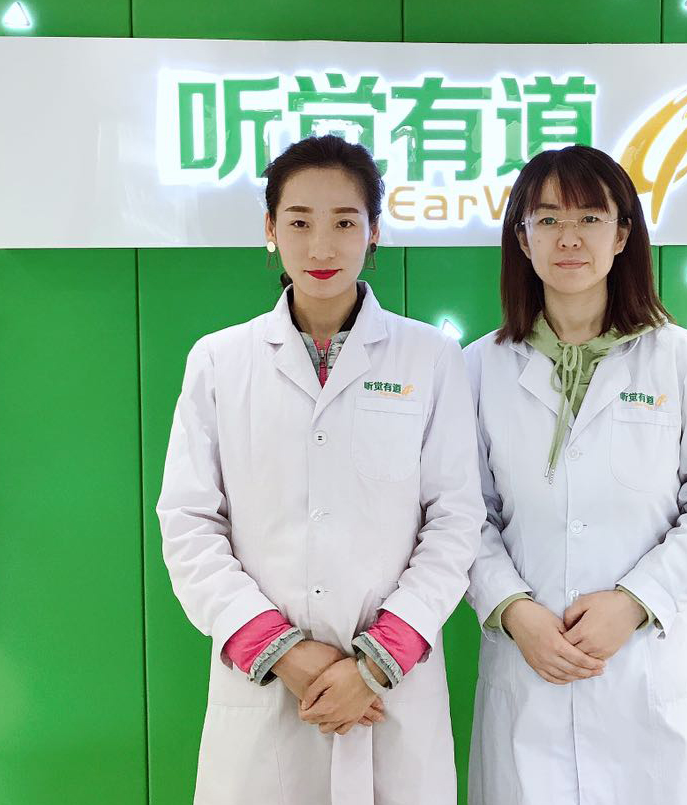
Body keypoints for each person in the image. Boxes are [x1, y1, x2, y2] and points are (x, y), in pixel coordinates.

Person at [157, 134, 483, 805]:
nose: (322, 247)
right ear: (270, 230)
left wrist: (377, 661)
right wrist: (283, 652)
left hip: (389, 689)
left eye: (344, 222)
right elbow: (189, 524)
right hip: (269, 692)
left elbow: (455, 521)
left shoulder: (429, 358)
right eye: (300, 222)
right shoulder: (219, 362)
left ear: (374, 231)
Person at [464, 144, 687, 805]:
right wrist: (512, 610)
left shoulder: (680, 359)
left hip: (650, 670)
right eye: (547, 220)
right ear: (522, 239)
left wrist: (636, 600)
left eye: (590, 219)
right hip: (528, 673)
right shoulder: (479, 368)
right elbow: (465, 514)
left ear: (622, 234)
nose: (568, 238)